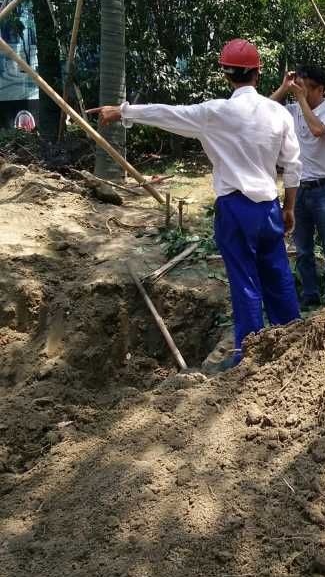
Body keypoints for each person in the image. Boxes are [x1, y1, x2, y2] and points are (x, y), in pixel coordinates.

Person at [87, 39, 302, 367]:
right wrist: (289, 208)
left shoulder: (213, 113)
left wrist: (122, 112)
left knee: (244, 282)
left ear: (227, 75)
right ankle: (293, 345)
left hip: (235, 209)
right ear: (258, 73)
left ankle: (251, 357)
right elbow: (294, 166)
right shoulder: (278, 112)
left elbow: (168, 114)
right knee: (277, 275)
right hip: (269, 208)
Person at [271, 65, 325, 309]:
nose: (300, 94)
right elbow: (263, 110)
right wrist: (284, 88)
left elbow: (316, 130)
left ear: (320, 89)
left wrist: (302, 101)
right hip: (299, 190)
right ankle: (310, 296)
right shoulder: (292, 110)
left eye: (306, 90)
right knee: (303, 250)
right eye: (298, 89)